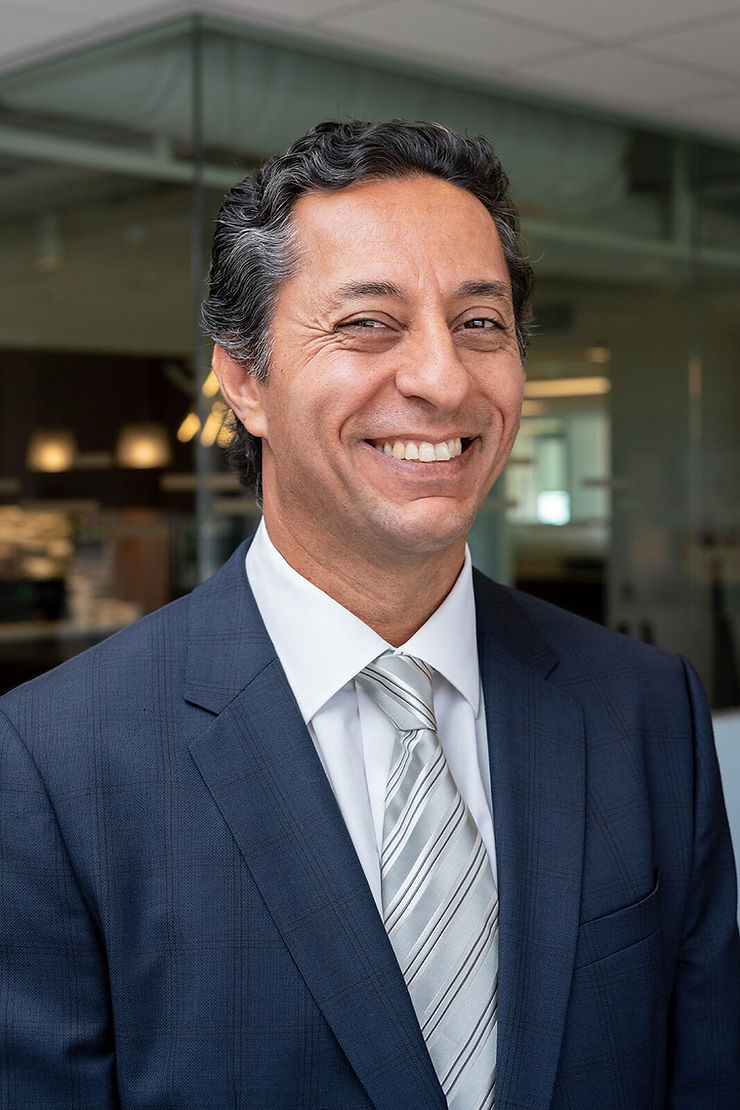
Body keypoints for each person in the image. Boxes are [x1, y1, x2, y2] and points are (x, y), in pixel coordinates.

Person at [1, 120, 738, 1110]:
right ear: (245, 380)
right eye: (366, 323)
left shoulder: (644, 710)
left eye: (479, 323)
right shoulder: (54, 763)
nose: (443, 378)